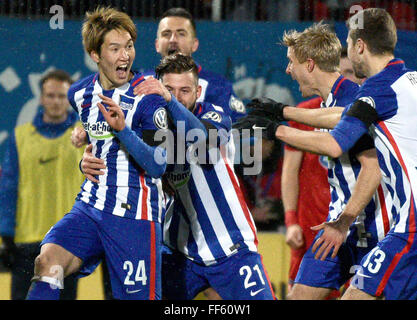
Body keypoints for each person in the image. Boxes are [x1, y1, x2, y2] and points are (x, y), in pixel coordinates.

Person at [246, 8, 417, 300]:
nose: (346, 54)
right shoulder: (407, 80)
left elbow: (340, 143)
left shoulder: (376, 90)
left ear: (359, 45)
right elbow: (344, 115)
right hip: (350, 224)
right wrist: (281, 111)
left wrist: (275, 129)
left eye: (348, 44)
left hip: (389, 225)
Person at [82, 53, 276, 300]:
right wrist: (85, 160)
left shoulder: (215, 114)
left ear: (198, 91)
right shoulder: (147, 127)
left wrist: (169, 99)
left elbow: (201, 141)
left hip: (231, 247)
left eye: (185, 90)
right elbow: (117, 162)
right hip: (178, 251)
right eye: (169, 88)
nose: (177, 96)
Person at [26, 7, 168, 300]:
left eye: (128, 46)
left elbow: (158, 166)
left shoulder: (148, 96)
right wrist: (83, 160)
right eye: (114, 48)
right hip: (91, 207)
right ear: (95, 54)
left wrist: (123, 131)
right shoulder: (79, 94)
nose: (124, 56)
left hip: (135, 217)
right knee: (47, 263)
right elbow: (95, 138)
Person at [282, 47, 363, 296]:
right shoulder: (305, 113)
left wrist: (277, 123)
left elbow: (339, 140)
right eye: (343, 72)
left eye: (353, 72)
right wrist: (291, 221)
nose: (347, 79)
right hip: (314, 228)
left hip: (360, 225)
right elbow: (289, 172)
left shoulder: (366, 110)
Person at [0, 70, 83, 300]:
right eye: (50, 95)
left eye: (61, 96)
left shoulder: (84, 136)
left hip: (66, 244)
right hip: (26, 243)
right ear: (41, 97)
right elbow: (8, 187)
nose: (56, 101)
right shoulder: (21, 137)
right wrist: (6, 235)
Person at [151, 7, 246, 123]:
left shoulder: (218, 87)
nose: (173, 40)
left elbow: (240, 128)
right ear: (157, 44)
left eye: (181, 34)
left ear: (194, 44)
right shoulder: (142, 82)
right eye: (166, 34)